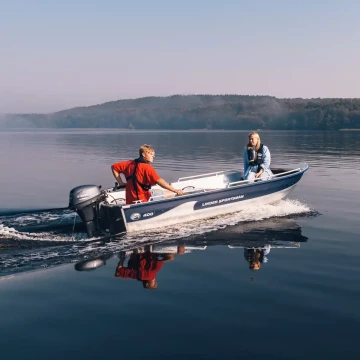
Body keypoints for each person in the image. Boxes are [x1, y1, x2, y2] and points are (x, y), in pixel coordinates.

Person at [111, 144, 184, 204]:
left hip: (130, 199)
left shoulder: (129, 163)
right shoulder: (147, 167)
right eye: (151, 154)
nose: (153, 156)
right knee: (169, 193)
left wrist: (120, 183)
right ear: (143, 154)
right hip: (142, 200)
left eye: (153, 154)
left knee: (159, 191)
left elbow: (114, 167)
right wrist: (175, 190)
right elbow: (159, 181)